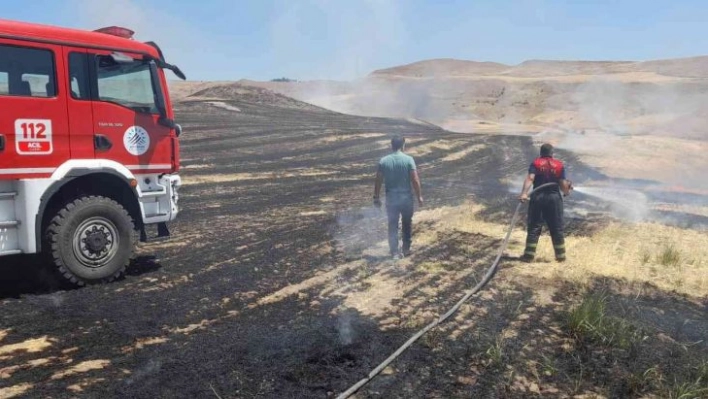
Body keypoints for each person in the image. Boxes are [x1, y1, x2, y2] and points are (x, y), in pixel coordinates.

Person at [518, 143, 573, 262]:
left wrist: (524, 193)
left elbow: (530, 178)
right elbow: (563, 183)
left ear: (541, 153)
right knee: (556, 228)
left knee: (534, 227)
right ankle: (561, 257)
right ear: (552, 153)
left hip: (537, 197)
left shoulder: (536, 163)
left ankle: (528, 256)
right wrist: (567, 191)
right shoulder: (558, 165)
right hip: (554, 198)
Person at [373, 135, 424, 259]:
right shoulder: (409, 160)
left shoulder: (383, 161)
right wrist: (419, 196)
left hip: (391, 198)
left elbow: (378, 179)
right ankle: (406, 249)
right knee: (407, 223)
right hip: (406, 197)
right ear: (403, 145)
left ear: (391, 145)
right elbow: (415, 180)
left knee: (392, 224)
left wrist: (376, 196)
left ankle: (394, 252)